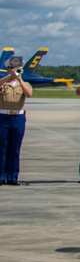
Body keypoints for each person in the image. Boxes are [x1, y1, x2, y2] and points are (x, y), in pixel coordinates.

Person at [0, 56, 32, 185]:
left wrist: (19, 79)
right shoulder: (4, 83)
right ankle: (1, 176)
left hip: (18, 117)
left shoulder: (24, 83)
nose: (14, 71)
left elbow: (29, 93)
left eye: (17, 69)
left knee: (15, 148)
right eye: (12, 69)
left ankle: (13, 176)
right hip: (3, 116)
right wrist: (9, 77)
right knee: (2, 148)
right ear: (8, 69)